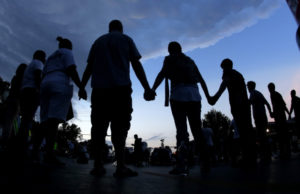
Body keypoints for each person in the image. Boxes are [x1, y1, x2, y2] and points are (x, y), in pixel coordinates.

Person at [79, 20, 154, 177]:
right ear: (121, 28)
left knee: (98, 129)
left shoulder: (98, 41)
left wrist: (81, 87)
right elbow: (136, 64)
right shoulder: (126, 40)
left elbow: (89, 67)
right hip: (120, 90)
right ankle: (121, 167)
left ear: (109, 28)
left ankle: (98, 165)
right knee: (120, 128)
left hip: (99, 91)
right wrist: (147, 88)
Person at [151, 41, 211, 174]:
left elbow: (162, 74)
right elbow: (201, 79)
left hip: (179, 95)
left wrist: (153, 89)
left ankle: (181, 164)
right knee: (197, 130)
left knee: (181, 130)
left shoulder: (169, 59)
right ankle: (205, 162)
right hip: (195, 95)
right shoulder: (190, 60)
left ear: (169, 50)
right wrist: (208, 97)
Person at [37, 37, 82, 164]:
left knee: (44, 121)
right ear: (69, 46)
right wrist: (81, 87)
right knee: (53, 122)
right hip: (58, 84)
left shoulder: (51, 57)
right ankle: (49, 154)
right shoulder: (67, 52)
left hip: (45, 85)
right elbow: (71, 69)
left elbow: (42, 74)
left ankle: (35, 150)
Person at [209, 58, 256, 167]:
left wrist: (215, 97)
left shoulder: (228, 73)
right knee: (247, 130)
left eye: (223, 68)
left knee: (243, 131)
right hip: (244, 105)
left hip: (238, 105)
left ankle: (247, 158)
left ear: (226, 66)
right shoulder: (238, 75)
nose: (222, 71)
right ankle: (251, 156)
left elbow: (224, 84)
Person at [18, 50, 46, 157]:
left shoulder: (30, 65)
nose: (45, 60)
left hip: (25, 92)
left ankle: (20, 144)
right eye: (44, 57)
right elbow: (38, 75)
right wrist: (41, 90)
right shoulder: (38, 63)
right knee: (28, 119)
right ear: (40, 57)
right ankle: (23, 146)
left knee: (25, 120)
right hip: (31, 92)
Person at [1, 63, 27, 147]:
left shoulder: (15, 79)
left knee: (7, 122)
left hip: (10, 101)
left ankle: (4, 140)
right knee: (10, 123)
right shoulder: (24, 81)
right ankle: (5, 141)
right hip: (16, 102)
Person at [247, 81, 272, 164]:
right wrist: (270, 112)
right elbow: (267, 103)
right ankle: (267, 153)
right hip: (263, 116)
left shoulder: (253, 93)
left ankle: (264, 155)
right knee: (264, 136)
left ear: (250, 87)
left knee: (261, 136)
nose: (247, 88)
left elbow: (249, 103)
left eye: (248, 86)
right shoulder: (259, 93)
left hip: (258, 117)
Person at [268, 82, 291, 159]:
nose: (269, 90)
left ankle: (284, 151)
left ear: (272, 88)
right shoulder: (275, 94)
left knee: (281, 134)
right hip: (280, 116)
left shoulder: (275, 95)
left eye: (270, 88)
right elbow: (282, 105)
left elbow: (281, 105)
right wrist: (288, 114)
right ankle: (286, 151)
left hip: (280, 117)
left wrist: (274, 113)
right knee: (283, 133)